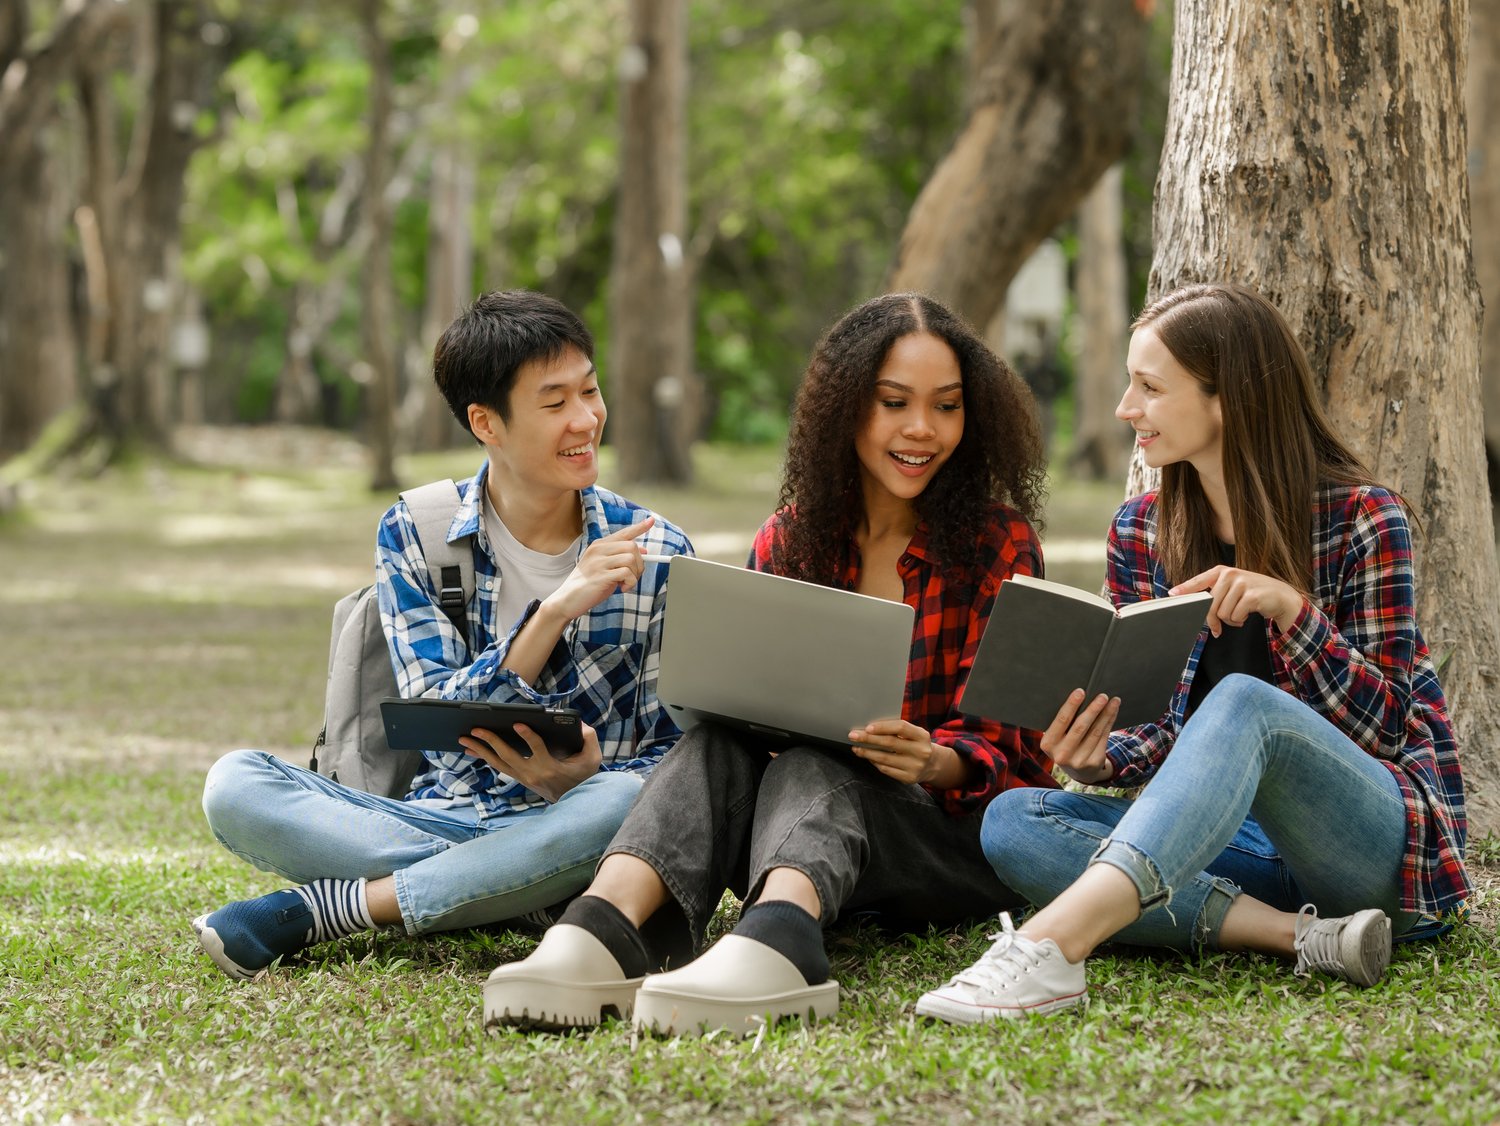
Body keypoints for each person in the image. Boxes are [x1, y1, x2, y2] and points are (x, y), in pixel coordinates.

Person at [482, 292, 1058, 1036]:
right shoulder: (791, 539)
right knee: (720, 742)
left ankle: (782, 944)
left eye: (946, 407)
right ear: (848, 407)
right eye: (894, 403)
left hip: (940, 843)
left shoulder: (997, 544)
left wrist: (934, 761)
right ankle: (602, 929)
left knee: (821, 765)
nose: (922, 430)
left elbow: (1021, 756)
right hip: (805, 831)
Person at [915, 282, 1471, 1024]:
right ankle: (1301, 938)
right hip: (1230, 844)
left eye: (1148, 387)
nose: (1125, 409)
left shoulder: (1366, 517)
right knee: (1014, 821)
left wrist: (1292, 612)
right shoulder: (1143, 531)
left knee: (1246, 703)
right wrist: (1100, 758)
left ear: (1228, 400)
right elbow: (1165, 731)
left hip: (1374, 853)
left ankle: (1051, 948)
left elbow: (1386, 729)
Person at [192, 290, 693, 981]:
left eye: (590, 390)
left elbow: (679, 761)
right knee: (234, 785)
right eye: (555, 404)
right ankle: (513, 886)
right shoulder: (418, 532)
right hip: (442, 816)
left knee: (626, 803)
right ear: (486, 422)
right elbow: (433, 713)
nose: (586, 419)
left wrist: (581, 782)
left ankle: (334, 910)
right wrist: (554, 611)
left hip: (589, 818)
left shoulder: (661, 550)